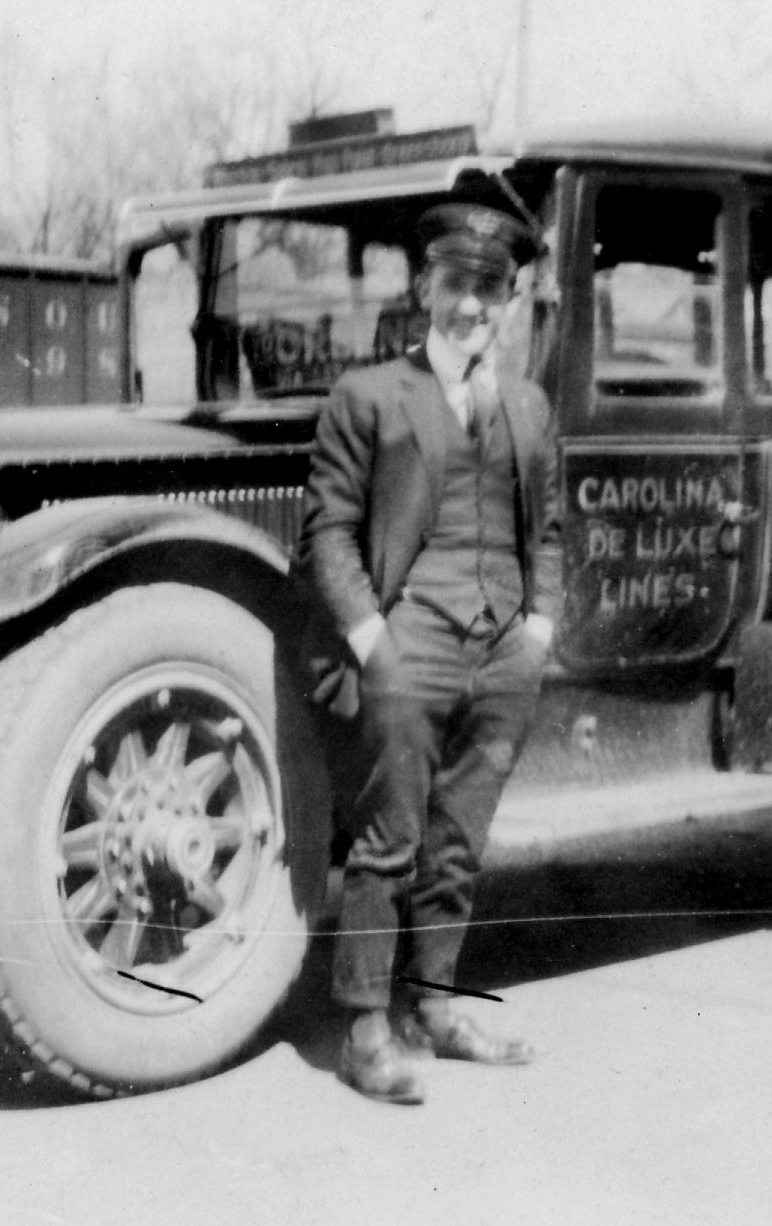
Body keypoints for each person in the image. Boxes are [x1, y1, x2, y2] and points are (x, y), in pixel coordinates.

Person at [300, 201, 563, 1106]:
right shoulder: (369, 396)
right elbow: (327, 533)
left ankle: (437, 1009)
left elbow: (551, 531)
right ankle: (364, 1029)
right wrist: (373, 639)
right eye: (457, 284)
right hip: (409, 645)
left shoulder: (526, 406)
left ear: (509, 300)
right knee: (388, 841)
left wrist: (539, 629)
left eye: (491, 289)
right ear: (424, 288)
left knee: (460, 841)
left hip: (503, 656)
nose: (472, 306)